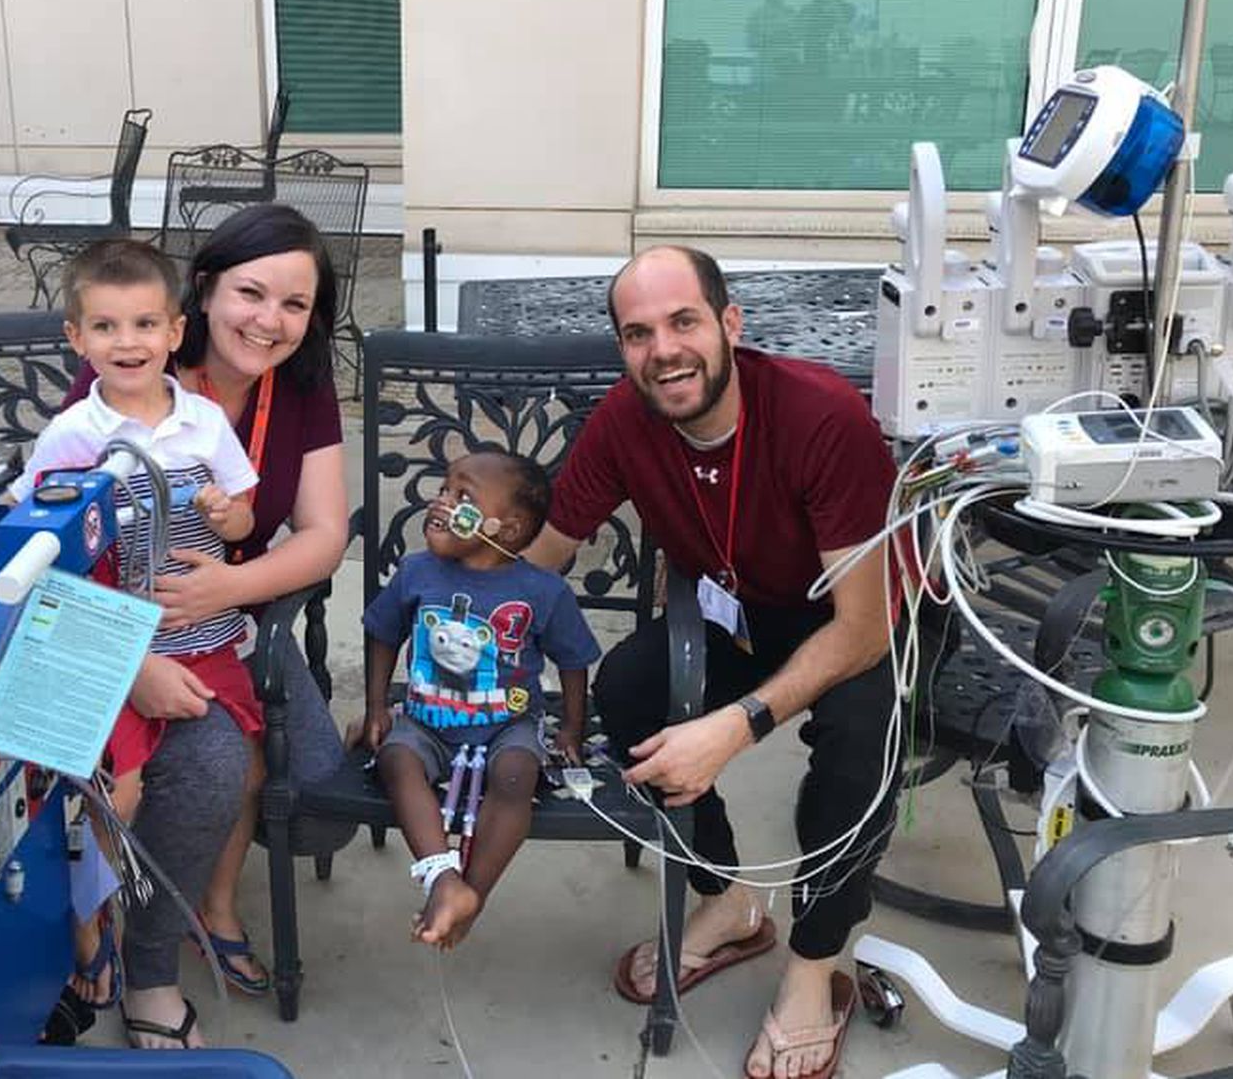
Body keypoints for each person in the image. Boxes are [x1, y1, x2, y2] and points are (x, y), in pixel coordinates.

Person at [523, 246, 898, 1079]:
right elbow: (542, 555)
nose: (664, 350)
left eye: (683, 321)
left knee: (858, 746)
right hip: (743, 610)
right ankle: (726, 900)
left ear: (730, 323)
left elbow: (864, 627)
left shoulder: (819, 415)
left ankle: (813, 966)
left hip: (862, 616)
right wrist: (460, 606)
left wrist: (740, 722)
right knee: (630, 693)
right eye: (638, 333)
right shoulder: (626, 418)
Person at [52, 205, 350, 1048]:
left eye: (296, 304)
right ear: (205, 293)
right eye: (251, 293)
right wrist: (128, 658)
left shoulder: (300, 385)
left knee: (323, 812)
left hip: (238, 615)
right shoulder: (131, 368)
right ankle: (145, 939)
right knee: (208, 760)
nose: (270, 319)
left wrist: (231, 587)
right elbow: (59, 544)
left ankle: (207, 897)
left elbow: (325, 536)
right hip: (125, 623)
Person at [12, 240, 262, 1049]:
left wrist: (230, 519)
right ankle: (90, 928)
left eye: (146, 323)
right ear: (76, 338)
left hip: (199, 634)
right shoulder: (72, 435)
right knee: (115, 783)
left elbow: (248, 516)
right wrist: (124, 656)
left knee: (221, 760)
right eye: (107, 325)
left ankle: (149, 957)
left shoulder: (203, 420)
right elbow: (35, 553)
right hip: (99, 634)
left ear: (176, 330)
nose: (128, 341)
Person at [359, 452, 601, 949]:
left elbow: (574, 659)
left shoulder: (542, 590)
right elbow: (382, 633)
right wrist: (378, 707)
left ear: (507, 530)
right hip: (426, 719)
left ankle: (472, 896)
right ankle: (443, 880)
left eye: (462, 497)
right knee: (397, 762)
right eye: (444, 489)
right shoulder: (417, 573)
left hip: (508, 723)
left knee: (516, 775)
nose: (442, 502)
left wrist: (573, 727)